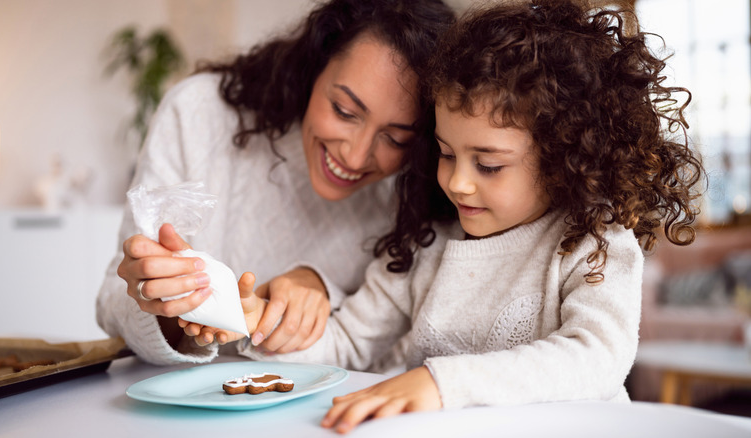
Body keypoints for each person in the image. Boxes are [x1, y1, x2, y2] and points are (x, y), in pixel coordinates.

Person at [204, 0, 705, 433]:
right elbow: (347, 341)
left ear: (563, 158)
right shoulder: (427, 245)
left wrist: (442, 382)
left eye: (488, 164)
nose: (458, 182)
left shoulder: (593, 243)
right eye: (447, 154)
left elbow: (595, 358)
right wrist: (258, 328)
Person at [96, 0, 455, 365]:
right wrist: (166, 307)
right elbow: (111, 303)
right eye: (344, 112)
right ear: (314, 66)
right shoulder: (197, 114)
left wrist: (323, 292)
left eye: (396, 139)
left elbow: (381, 345)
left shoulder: (416, 190)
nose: (356, 156)